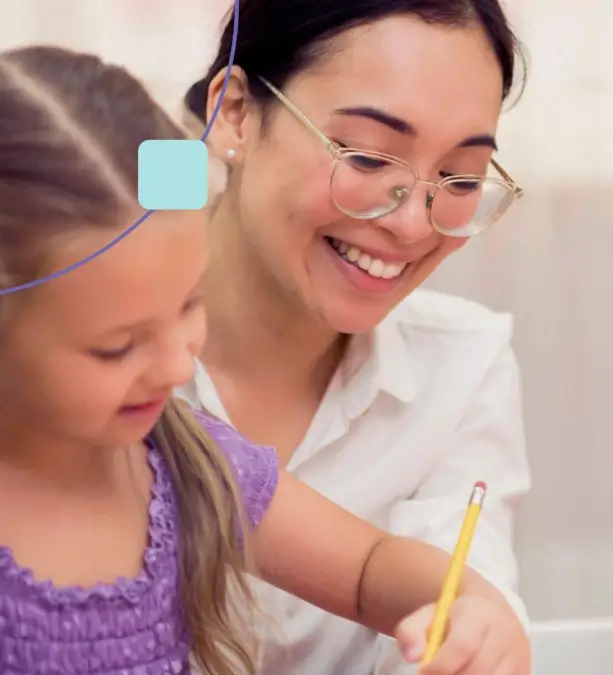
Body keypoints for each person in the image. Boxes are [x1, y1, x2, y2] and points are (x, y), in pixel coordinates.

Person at [0, 45, 529, 675]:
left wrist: (473, 603)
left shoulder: (186, 459)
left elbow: (366, 569)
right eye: (118, 346)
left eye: (190, 304)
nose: (175, 368)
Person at [179, 1, 531, 671]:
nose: (411, 226)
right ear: (235, 114)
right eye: (369, 157)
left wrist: (480, 627)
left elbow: (438, 589)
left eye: (460, 176)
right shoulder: (93, 352)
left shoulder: (463, 362)